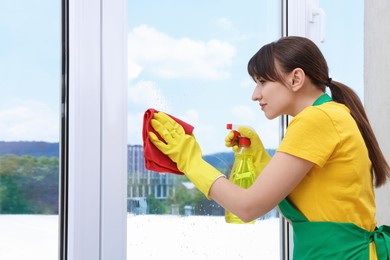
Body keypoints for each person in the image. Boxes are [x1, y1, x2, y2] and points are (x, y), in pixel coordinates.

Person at [148, 36, 390, 259]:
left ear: (295, 78)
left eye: (262, 81)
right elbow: (302, 212)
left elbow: (248, 207)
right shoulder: (331, 114)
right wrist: (260, 158)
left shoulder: (317, 119)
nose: (255, 94)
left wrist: (190, 161)